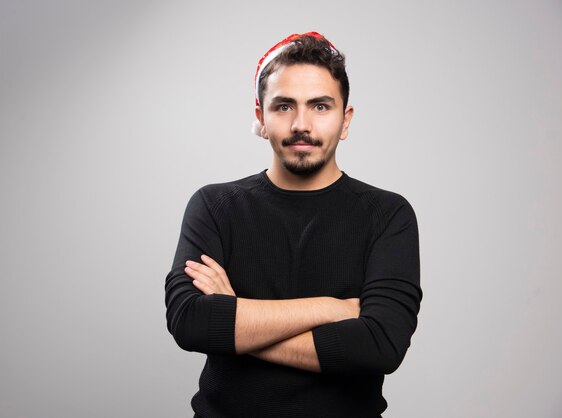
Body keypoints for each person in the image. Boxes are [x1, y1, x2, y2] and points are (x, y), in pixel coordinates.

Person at [165, 32, 422, 418]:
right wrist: (329, 308)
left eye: (320, 106)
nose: (301, 124)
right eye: (284, 106)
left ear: (345, 119)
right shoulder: (215, 206)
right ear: (261, 118)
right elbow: (190, 322)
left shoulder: (388, 214)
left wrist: (236, 319)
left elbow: (380, 345)